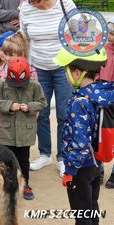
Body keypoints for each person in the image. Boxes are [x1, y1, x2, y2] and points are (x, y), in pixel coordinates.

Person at [54, 47, 114, 225]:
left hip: (80, 168)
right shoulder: (99, 94)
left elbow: (79, 142)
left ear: (77, 72)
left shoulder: (79, 102)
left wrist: (70, 171)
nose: (65, 76)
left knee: (81, 214)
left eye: (66, 71)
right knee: (91, 206)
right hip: (96, 164)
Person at [20, 0, 76, 176]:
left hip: (63, 67)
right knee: (40, 113)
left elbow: (81, 33)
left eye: (36, 1)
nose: (34, 4)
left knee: (64, 113)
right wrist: (27, 67)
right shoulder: (27, 8)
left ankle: (63, 157)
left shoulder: (65, 4)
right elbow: (25, 39)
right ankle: (45, 154)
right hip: (38, 67)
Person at [0, 56, 47, 200]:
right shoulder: (3, 84)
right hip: (7, 130)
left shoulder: (34, 85)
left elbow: (42, 102)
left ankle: (25, 183)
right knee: (7, 159)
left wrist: (30, 107)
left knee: (23, 159)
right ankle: (8, 185)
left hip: (26, 131)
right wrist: (9, 105)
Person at [95, 17, 114, 188]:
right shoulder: (101, 49)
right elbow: (95, 71)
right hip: (103, 95)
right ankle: (98, 168)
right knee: (101, 134)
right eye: (109, 32)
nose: (110, 36)